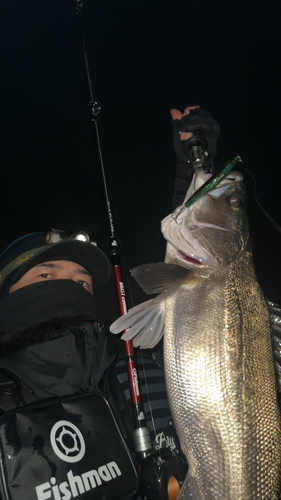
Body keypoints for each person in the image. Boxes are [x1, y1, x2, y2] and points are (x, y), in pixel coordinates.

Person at [0, 106, 221, 500]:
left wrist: (197, 176)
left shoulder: (136, 358)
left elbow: (205, 297)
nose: (69, 286)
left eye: (82, 282)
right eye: (47, 276)